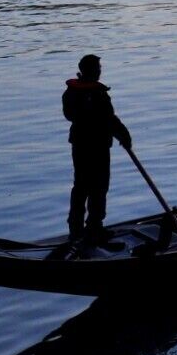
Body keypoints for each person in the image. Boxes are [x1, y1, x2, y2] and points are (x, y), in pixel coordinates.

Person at [62, 53, 131, 243]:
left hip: (93, 144)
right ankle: (82, 228)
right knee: (90, 186)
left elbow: (109, 118)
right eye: (97, 68)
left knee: (93, 187)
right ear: (88, 70)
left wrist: (123, 135)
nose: (99, 71)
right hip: (89, 145)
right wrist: (122, 134)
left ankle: (90, 226)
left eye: (99, 68)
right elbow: (104, 118)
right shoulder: (78, 93)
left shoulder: (92, 92)